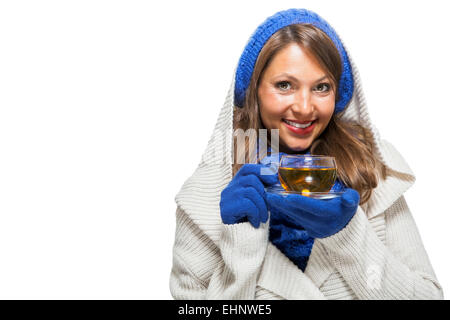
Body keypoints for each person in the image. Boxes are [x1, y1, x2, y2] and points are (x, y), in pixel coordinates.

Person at [169, 8, 443, 299]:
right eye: (284, 85)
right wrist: (241, 243)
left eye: (321, 87)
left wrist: (347, 234)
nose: (303, 107)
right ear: (254, 92)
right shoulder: (202, 201)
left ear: (337, 95)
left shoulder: (374, 172)